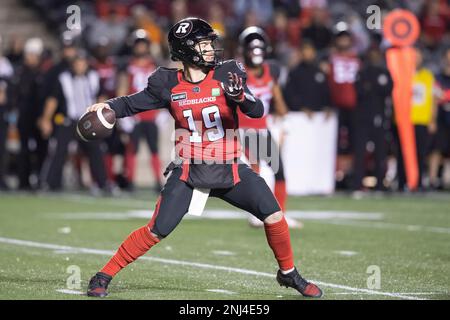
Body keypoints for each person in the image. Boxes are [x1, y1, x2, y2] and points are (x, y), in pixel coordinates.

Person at [86, 17, 322, 298]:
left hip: (230, 167)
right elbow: (131, 103)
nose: (211, 48)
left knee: (274, 215)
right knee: (156, 230)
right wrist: (107, 106)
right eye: (204, 44)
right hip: (189, 170)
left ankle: (288, 274)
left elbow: (257, 111)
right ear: (186, 50)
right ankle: (103, 274)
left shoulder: (227, 74)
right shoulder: (166, 83)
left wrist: (240, 98)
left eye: (210, 43)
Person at [237, 26, 301, 229]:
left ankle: (279, 214)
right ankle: (256, 213)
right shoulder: (237, 73)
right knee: (251, 175)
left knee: (278, 172)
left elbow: (278, 100)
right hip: (242, 130)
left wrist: (285, 123)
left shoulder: (270, 71)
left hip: (261, 130)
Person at [39, 50, 108, 192]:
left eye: (83, 63)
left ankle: (102, 183)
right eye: (77, 64)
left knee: (96, 151)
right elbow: (53, 100)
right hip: (68, 120)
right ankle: (50, 183)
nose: (80, 66)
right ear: (73, 65)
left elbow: (101, 97)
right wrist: (46, 119)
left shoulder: (94, 77)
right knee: (59, 151)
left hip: (88, 121)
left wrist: (102, 118)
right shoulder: (63, 78)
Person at [353, 45, 393, 191]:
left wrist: (371, 87)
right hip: (363, 117)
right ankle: (358, 184)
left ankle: (380, 185)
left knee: (380, 153)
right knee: (360, 152)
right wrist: (373, 88)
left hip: (379, 117)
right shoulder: (362, 72)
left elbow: (388, 90)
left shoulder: (384, 72)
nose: (375, 56)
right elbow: (359, 91)